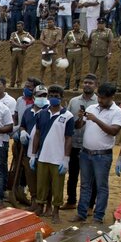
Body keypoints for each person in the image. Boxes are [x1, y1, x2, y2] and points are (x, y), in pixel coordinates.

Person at [70, 82, 121, 225]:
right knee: (85, 185)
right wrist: (81, 118)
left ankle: (98, 216)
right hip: (86, 153)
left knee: (101, 186)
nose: (100, 100)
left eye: (104, 98)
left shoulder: (117, 112)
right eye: (99, 97)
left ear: (112, 97)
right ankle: (81, 213)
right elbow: (78, 126)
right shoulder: (92, 107)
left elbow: (114, 131)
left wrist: (96, 119)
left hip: (103, 155)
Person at [29, 85, 73, 223]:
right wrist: (33, 154)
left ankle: (55, 212)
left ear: (62, 98)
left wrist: (66, 158)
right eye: (52, 96)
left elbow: (68, 138)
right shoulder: (41, 114)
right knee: (41, 184)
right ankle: (40, 208)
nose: (54, 98)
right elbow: (37, 134)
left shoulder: (67, 116)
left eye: (57, 96)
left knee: (57, 186)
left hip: (58, 158)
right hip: (42, 156)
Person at [63, 74, 98, 211]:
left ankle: (89, 205)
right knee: (72, 175)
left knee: (90, 177)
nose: (87, 85)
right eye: (85, 82)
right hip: (75, 144)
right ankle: (71, 201)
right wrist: (79, 119)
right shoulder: (73, 101)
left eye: (90, 83)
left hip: (90, 145)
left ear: (96, 85)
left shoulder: (98, 103)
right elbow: (69, 123)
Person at [18, 85, 48, 211]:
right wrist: (23, 132)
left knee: (42, 180)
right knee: (30, 178)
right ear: (34, 96)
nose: (42, 98)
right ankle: (34, 202)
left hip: (43, 152)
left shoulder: (48, 112)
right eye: (39, 95)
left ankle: (43, 204)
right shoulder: (27, 111)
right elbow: (22, 125)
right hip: (28, 150)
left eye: (44, 96)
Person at [8, 21, 34, 87]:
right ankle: (12, 83)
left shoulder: (26, 34)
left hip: (21, 52)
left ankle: (19, 83)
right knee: (13, 68)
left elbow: (33, 40)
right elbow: (12, 42)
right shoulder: (13, 34)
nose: (18, 28)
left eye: (20, 26)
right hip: (14, 52)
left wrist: (28, 44)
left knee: (20, 68)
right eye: (17, 26)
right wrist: (21, 46)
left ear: (23, 26)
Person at [88, 18, 113, 83]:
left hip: (103, 54)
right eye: (99, 23)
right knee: (91, 71)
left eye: (102, 24)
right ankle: (91, 84)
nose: (100, 25)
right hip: (93, 54)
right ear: (97, 24)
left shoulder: (108, 31)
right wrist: (90, 50)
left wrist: (109, 53)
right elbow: (89, 41)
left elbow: (110, 42)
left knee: (103, 72)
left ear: (105, 24)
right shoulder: (93, 31)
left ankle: (103, 85)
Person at [64, 20, 87, 91]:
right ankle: (67, 85)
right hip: (69, 52)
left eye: (76, 26)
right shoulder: (69, 33)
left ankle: (76, 85)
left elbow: (87, 44)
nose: (75, 27)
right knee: (68, 69)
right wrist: (63, 54)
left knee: (78, 69)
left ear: (79, 25)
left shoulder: (83, 33)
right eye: (74, 26)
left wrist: (79, 44)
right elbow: (64, 43)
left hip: (78, 52)